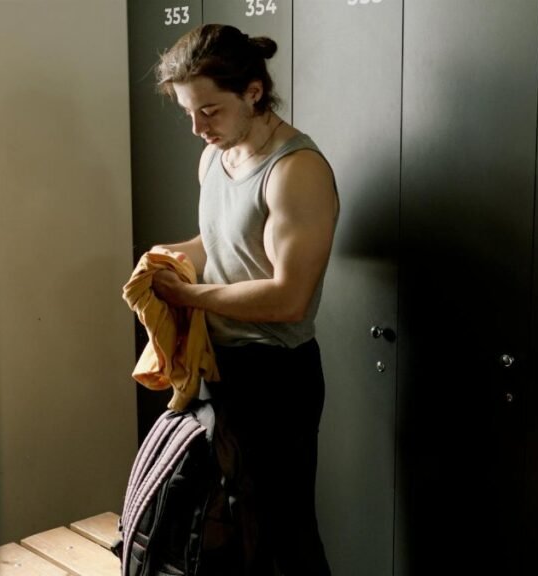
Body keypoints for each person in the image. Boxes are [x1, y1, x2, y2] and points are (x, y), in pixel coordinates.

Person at [145, 23, 336, 576]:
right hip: (218, 363)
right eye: (188, 112)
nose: (198, 127)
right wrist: (167, 259)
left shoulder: (296, 170)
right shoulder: (216, 157)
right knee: (226, 528)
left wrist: (192, 295)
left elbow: (289, 297)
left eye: (210, 111)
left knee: (281, 532)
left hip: (276, 375)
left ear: (253, 92)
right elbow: (222, 241)